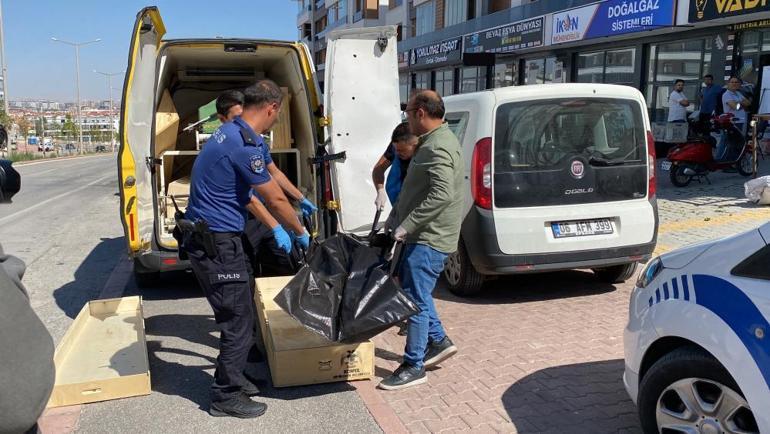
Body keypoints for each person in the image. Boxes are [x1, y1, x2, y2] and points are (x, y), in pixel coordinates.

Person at [180, 80, 310, 418]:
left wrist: (300, 199)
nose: (275, 120)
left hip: (221, 237)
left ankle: (235, 379)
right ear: (271, 108)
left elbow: (274, 176)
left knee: (241, 312)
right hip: (216, 242)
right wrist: (297, 232)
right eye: (277, 115)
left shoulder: (237, 133)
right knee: (236, 320)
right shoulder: (241, 144)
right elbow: (272, 198)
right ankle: (225, 395)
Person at [378, 90, 464, 391]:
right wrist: (395, 219)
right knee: (420, 294)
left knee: (413, 301)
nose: (406, 118)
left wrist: (408, 225)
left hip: (428, 237)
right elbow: (418, 191)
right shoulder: (434, 142)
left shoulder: (437, 147)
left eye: (408, 113)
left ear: (420, 113)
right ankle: (438, 340)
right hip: (423, 234)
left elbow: (442, 194)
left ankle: (414, 364)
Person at [214, 90, 311, 276]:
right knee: (247, 274)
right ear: (221, 119)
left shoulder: (256, 141)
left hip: (264, 217)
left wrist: (300, 198)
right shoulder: (229, 146)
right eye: (235, 118)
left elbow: (274, 172)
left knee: (284, 268)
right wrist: (286, 227)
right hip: (241, 221)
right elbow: (247, 198)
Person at [372, 122, 418, 210]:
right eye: (395, 149)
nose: (397, 153)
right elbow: (379, 169)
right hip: (398, 204)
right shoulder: (397, 145)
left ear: (415, 145)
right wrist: (380, 191)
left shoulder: (427, 153)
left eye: (402, 150)